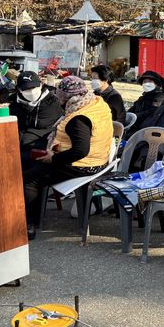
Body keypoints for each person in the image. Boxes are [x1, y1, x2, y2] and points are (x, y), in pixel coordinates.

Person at [22, 76, 113, 239]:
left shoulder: (78, 119)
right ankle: (31, 217)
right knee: (31, 161)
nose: (57, 98)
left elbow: (80, 151)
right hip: (99, 158)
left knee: (29, 179)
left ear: (67, 97)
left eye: (59, 95)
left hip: (84, 164)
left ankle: (28, 225)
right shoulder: (95, 102)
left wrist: (54, 159)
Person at [9, 71, 64, 169]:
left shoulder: (52, 102)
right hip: (19, 145)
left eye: (33, 87)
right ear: (19, 89)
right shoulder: (14, 102)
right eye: (26, 89)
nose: (31, 91)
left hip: (42, 145)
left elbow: (41, 124)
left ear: (41, 84)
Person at [126, 70, 164, 137]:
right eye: (144, 82)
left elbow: (152, 112)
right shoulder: (142, 98)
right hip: (134, 128)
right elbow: (132, 110)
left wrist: (136, 116)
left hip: (146, 131)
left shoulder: (161, 97)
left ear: (156, 84)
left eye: (150, 81)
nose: (147, 84)